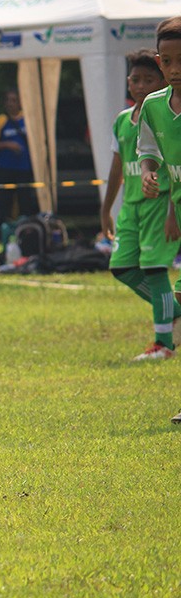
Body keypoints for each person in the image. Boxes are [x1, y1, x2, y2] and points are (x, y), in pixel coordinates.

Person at [102, 49, 173, 361]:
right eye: (135, 79)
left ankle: (164, 343)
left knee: (155, 269)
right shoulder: (122, 120)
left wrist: (173, 210)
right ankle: (173, 309)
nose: (140, 86)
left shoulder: (164, 115)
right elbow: (117, 168)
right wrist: (106, 208)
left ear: (162, 81)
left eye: (148, 80)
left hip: (159, 203)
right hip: (131, 207)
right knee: (121, 268)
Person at [137, 20, 181, 368]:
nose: (175, 69)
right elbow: (147, 150)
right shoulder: (153, 106)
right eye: (167, 62)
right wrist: (148, 173)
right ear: (158, 62)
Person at [0, 90, 38, 238]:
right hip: (5, 168)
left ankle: (26, 234)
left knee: (25, 202)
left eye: (14, 100)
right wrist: (8, 145)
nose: (10, 103)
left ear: (20, 103)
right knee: (4, 203)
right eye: (8, 100)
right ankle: (4, 234)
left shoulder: (28, 119)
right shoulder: (0, 121)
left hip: (25, 168)